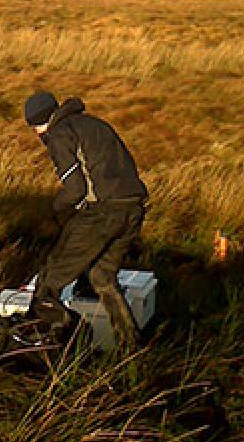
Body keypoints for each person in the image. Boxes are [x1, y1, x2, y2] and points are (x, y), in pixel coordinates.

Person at [23, 91, 148, 347]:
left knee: (49, 282)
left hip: (102, 214)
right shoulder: (94, 124)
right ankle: (131, 348)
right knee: (102, 278)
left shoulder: (59, 134)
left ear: (37, 126)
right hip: (133, 209)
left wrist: (54, 208)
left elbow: (75, 190)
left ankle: (63, 342)